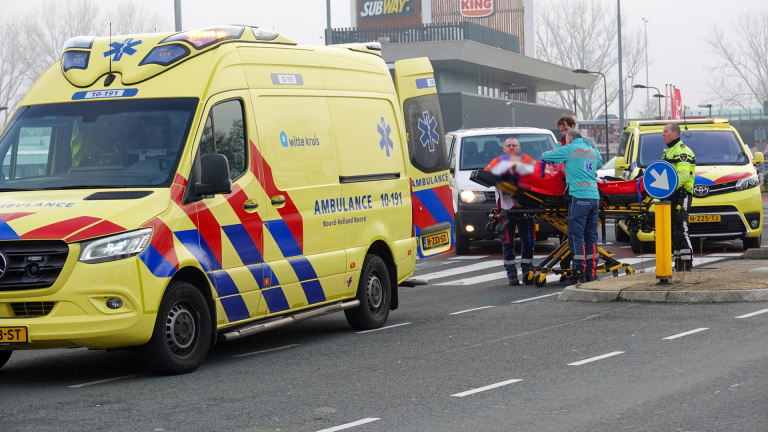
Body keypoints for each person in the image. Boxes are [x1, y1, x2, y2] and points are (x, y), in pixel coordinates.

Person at [541, 129, 603, 283]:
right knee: (591, 237)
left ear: (569, 139)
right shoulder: (591, 150)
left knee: (576, 236)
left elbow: (546, 156)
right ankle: (591, 272)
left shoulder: (569, 149)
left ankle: (578, 271)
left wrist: (559, 147)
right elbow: (600, 163)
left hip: (579, 197)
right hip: (594, 197)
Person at [485, 137, 536, 286]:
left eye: (514, 145)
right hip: (506, 211)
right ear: (504, 149)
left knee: (528, 241)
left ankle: (527, 272)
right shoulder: (496, 162)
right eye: (509, 145)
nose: (512, 147)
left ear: (519, 148)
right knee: (507, 243)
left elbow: (538, 175)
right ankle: (511, 274)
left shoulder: (528, 161)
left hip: (526, 209)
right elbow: (485, 174)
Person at [661, 122, 696, 271]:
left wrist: (667, 189)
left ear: (676, 133)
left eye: (666, 131)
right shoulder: (668, 152)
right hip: (671, 196)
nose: (663, 134)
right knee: (673, 232)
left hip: (681, 195)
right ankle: (679, 265)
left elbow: (682, 176)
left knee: (680, 230)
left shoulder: (683, 152)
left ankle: (687, 266)